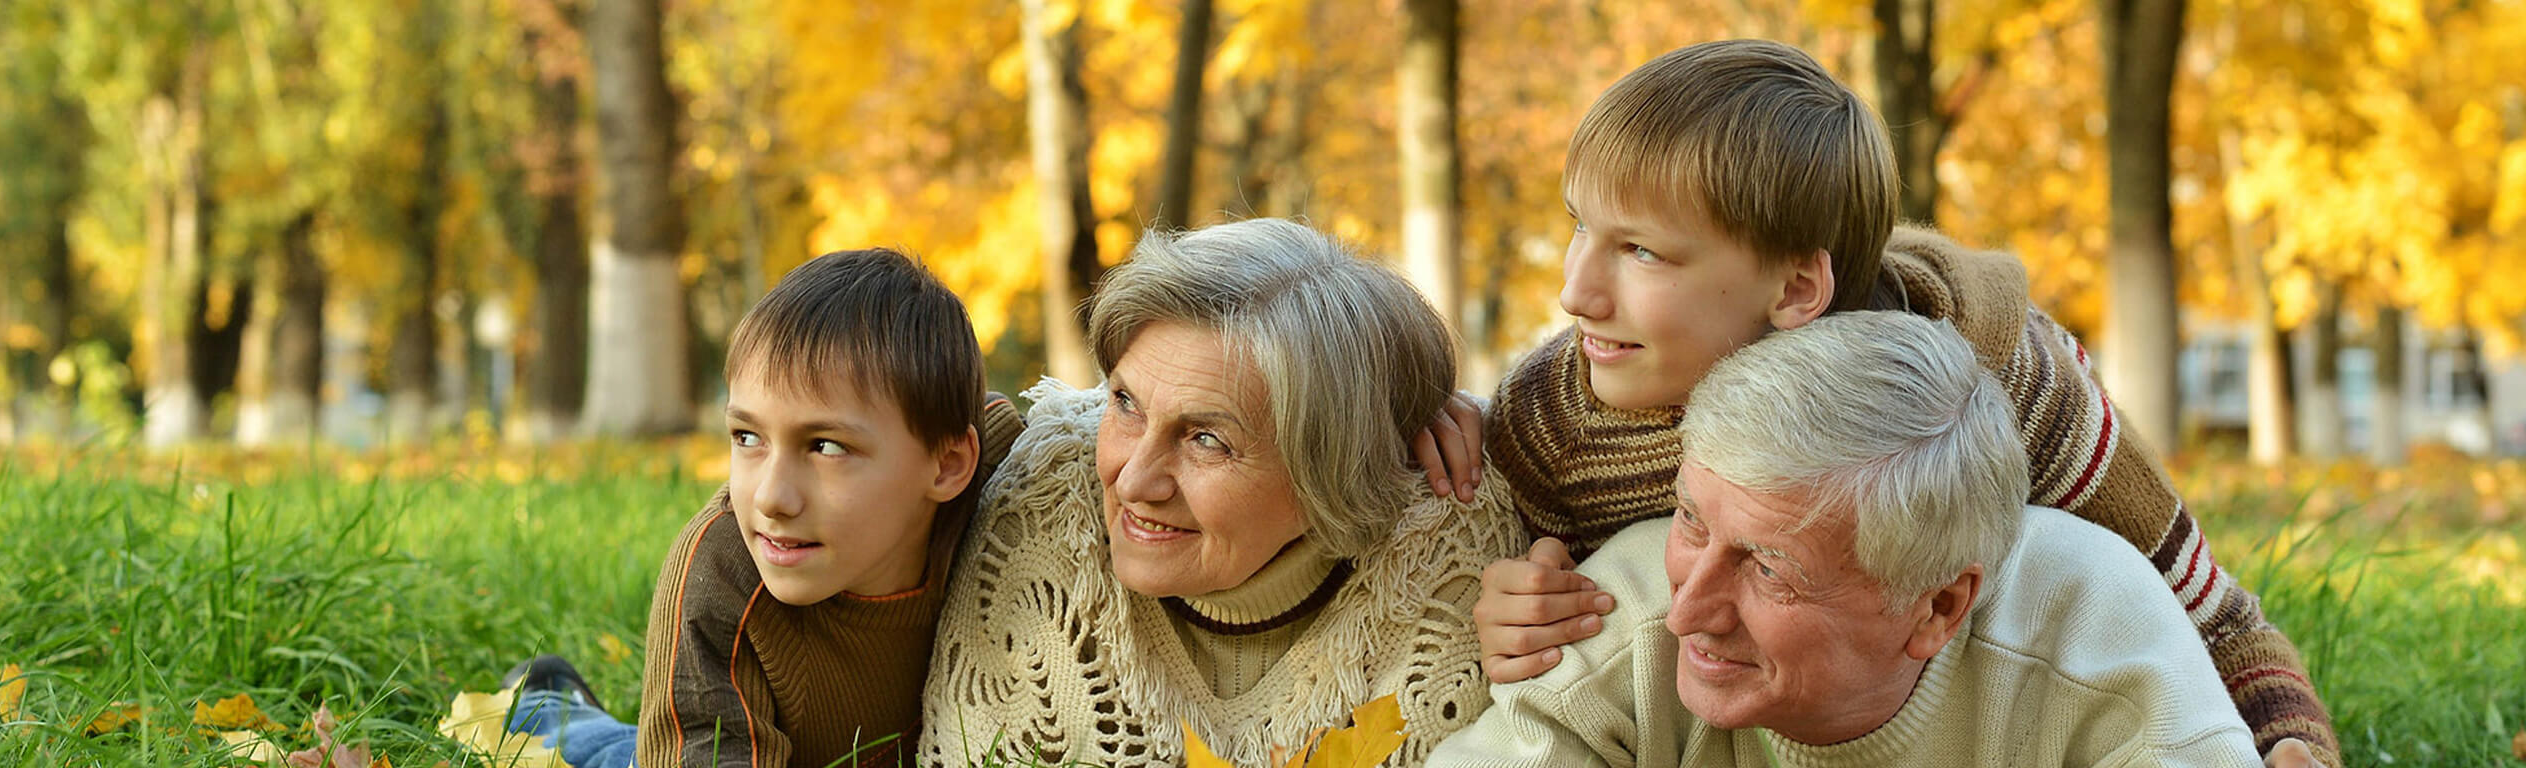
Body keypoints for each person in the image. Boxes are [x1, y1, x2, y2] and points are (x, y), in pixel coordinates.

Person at [1465, 39, 2336, 764]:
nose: (1575, 291)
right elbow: (1467, 576)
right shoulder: (1562, 418)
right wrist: (1498, 584)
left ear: (1797, 286)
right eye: (1579, 225)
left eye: (1642, 251)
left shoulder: (2009, 385)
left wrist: (2287, 742)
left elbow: (2209, 617)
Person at [1431, 311, 2261, 767]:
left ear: (1938, 608)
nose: (1689, 612)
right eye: (1691, 520)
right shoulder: (1614, 614)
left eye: (1770, 569)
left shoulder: (2098, 635)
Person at [917, 218, 1526, 767]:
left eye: (1207, 439)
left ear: (1335, 468)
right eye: (1125, 402)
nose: (1132, 481)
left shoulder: (1451, 558)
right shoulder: (1045, 500)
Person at [504, 248, 1024, 768]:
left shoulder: (998, 474)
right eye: (747, 437)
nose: (771, 498)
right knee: (606, 754)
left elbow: (1022, 430)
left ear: (947, 466)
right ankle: (544, 708)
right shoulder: (720, 575)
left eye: (826, 446)